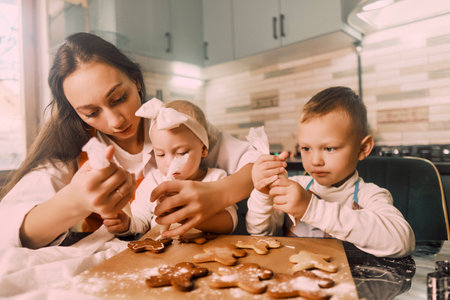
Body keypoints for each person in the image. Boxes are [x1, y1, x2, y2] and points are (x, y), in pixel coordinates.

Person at [0, 32, 258, 249]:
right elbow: (10, 229)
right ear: (75, 112)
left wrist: (220, 194)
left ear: (136, 81)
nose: (115, 121)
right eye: (91, 113)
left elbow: (256, 161)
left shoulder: (174, 122)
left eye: (118, 98)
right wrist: (75, 200)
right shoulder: (72, 150)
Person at [247, 86, 415, 258]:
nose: (315, 161)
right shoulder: (295, 187)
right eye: (306, 148)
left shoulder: (370, 195)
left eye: (329, 148)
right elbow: (260, 236)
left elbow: (402, 241)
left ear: (363, 148)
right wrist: (262, 194)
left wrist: (310, 208)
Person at [104, 98, 237, 235]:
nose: (169, 162)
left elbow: (230, 222)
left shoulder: (215, 178)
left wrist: (185, 215)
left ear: (203, 149)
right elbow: (140, 220)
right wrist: (126, 224)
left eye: (181, 153)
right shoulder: (153, 181)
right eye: (160, 154)